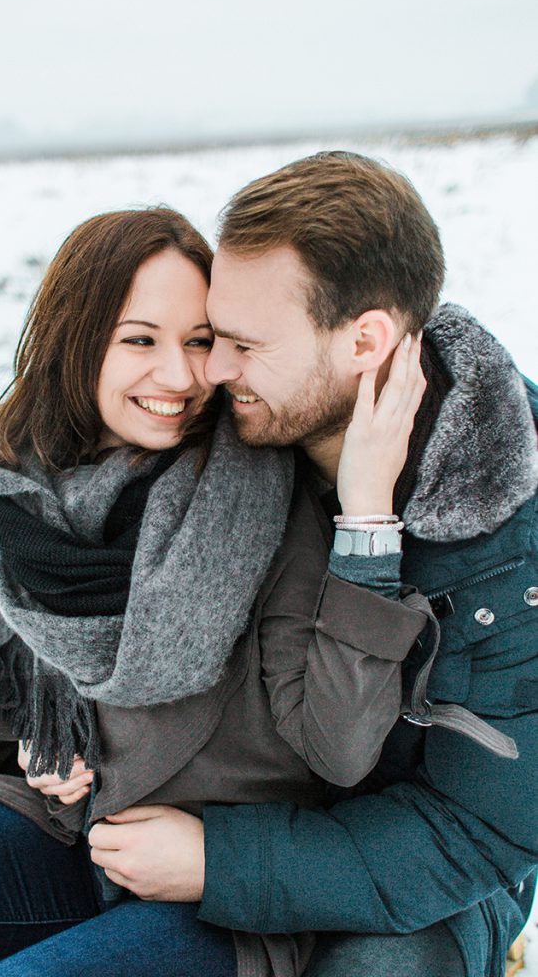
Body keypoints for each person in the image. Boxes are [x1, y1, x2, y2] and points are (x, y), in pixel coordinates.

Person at [0, 204, 432, 977]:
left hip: (217, 892)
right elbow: (21, 671)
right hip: (60, 835)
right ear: (76, 339)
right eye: (140, 340)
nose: (180, 376)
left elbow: (340, 748)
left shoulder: (257, 490)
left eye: (199, 341)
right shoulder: (27, 491)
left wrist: (364, 524)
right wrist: (10, 750)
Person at [84, 152, 538, 977]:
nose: (211, 370)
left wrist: (222, 861)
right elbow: (107, 599)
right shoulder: (251, 428)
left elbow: (483, 830)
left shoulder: (511, 534)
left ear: (364, 340)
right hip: (219, 804)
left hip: (426, 876)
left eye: (244, 344)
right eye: (216, 333)